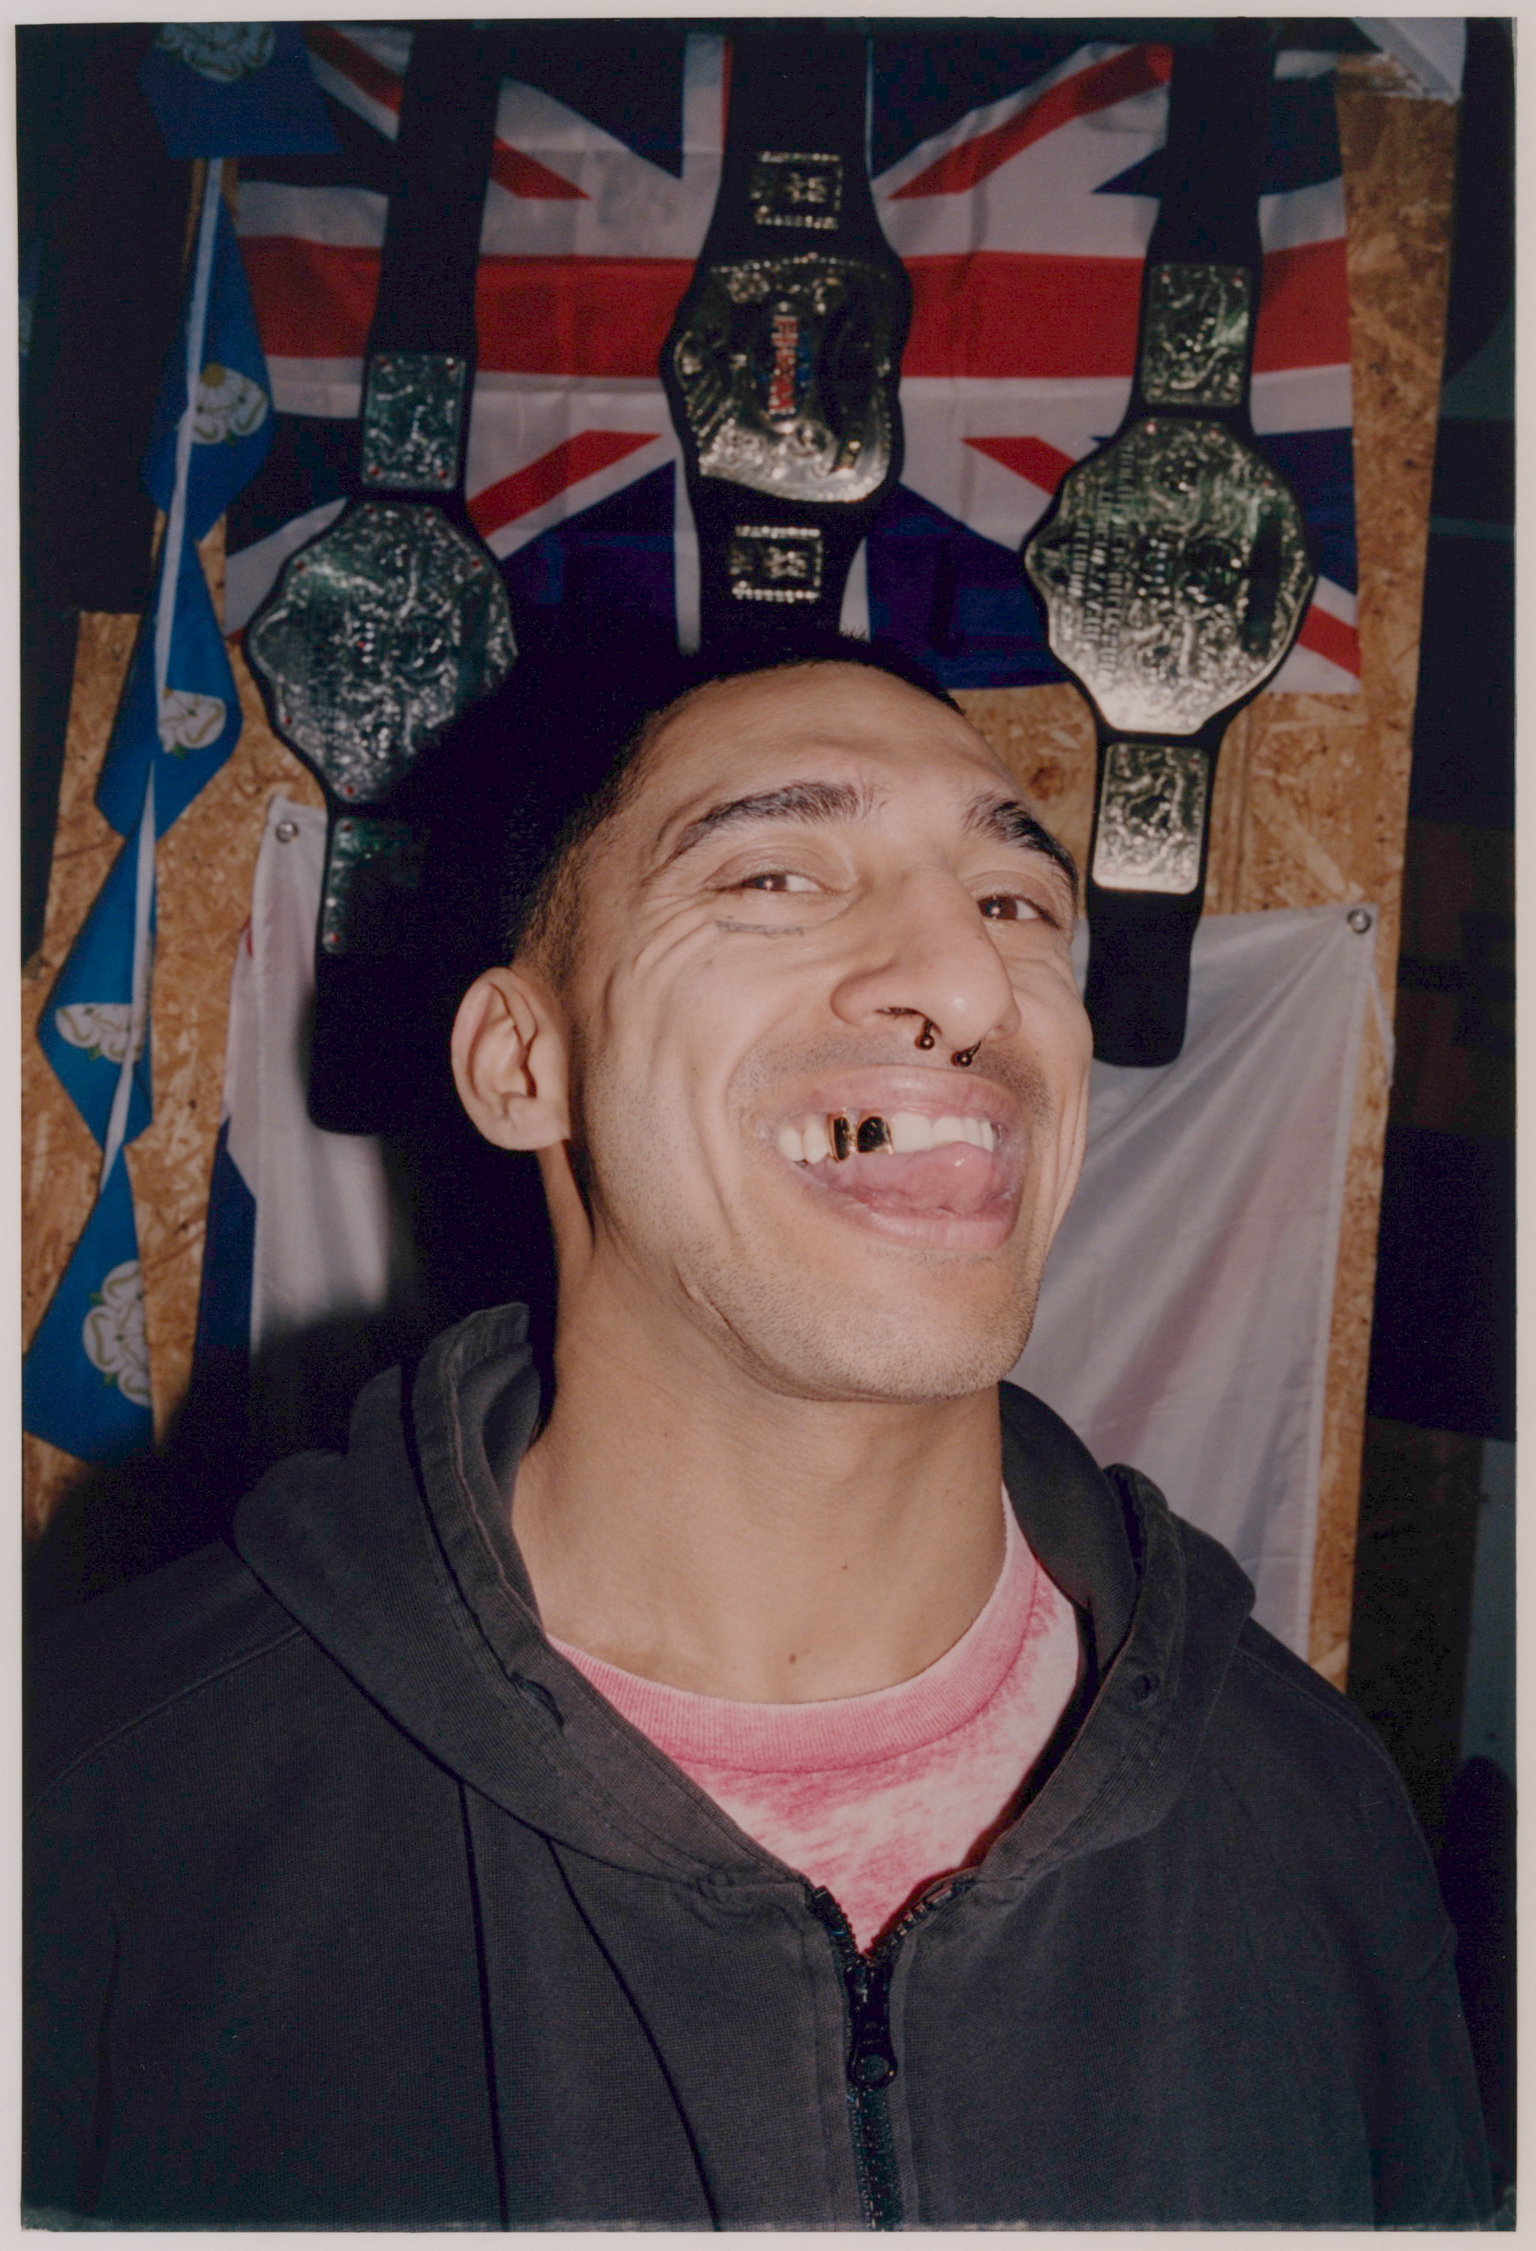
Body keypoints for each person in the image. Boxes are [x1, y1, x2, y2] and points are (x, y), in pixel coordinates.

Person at [26, 638, 1491, 2228]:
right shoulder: (102, 1808)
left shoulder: (1310, 1806)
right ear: (523, 1063)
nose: (968, 983)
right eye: (777, 877)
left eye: (1017, 904)